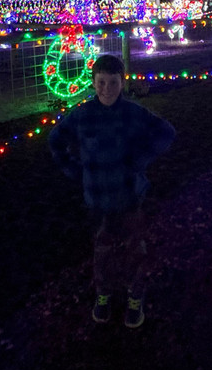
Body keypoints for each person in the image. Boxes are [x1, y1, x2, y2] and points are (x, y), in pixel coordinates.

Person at [48, 53, 176, 328]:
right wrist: (75, 171)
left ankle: (134, 297)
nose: (107, 89)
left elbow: (165, 132)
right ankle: (103, 295)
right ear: (93, 83)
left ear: (122, 82)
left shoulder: (132, 112)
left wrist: (140, 161)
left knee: (134, 250)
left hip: (129, 196)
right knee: (102, 249)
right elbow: (55, 140)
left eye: (113, 83)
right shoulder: (82, 115)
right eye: (101, 83)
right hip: (97, 198)